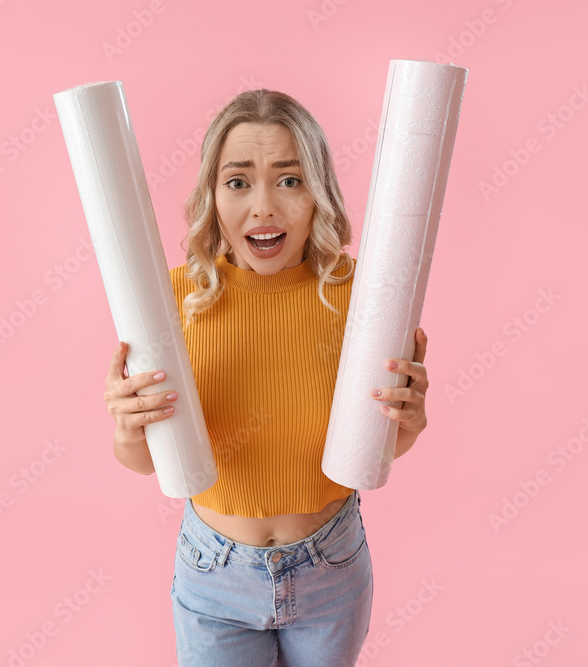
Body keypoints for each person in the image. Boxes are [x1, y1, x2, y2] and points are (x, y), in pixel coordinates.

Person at [104, 89, 429, 666]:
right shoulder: (170, 299)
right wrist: (129, 429)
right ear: (212, 193)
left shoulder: (365, 297)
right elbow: (144, 460)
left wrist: (409, 420)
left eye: (289, 179)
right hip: (214, 571)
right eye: (237, 182)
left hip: (331, 565)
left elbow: (381, 445)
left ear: (318, 193)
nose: (263, 208)